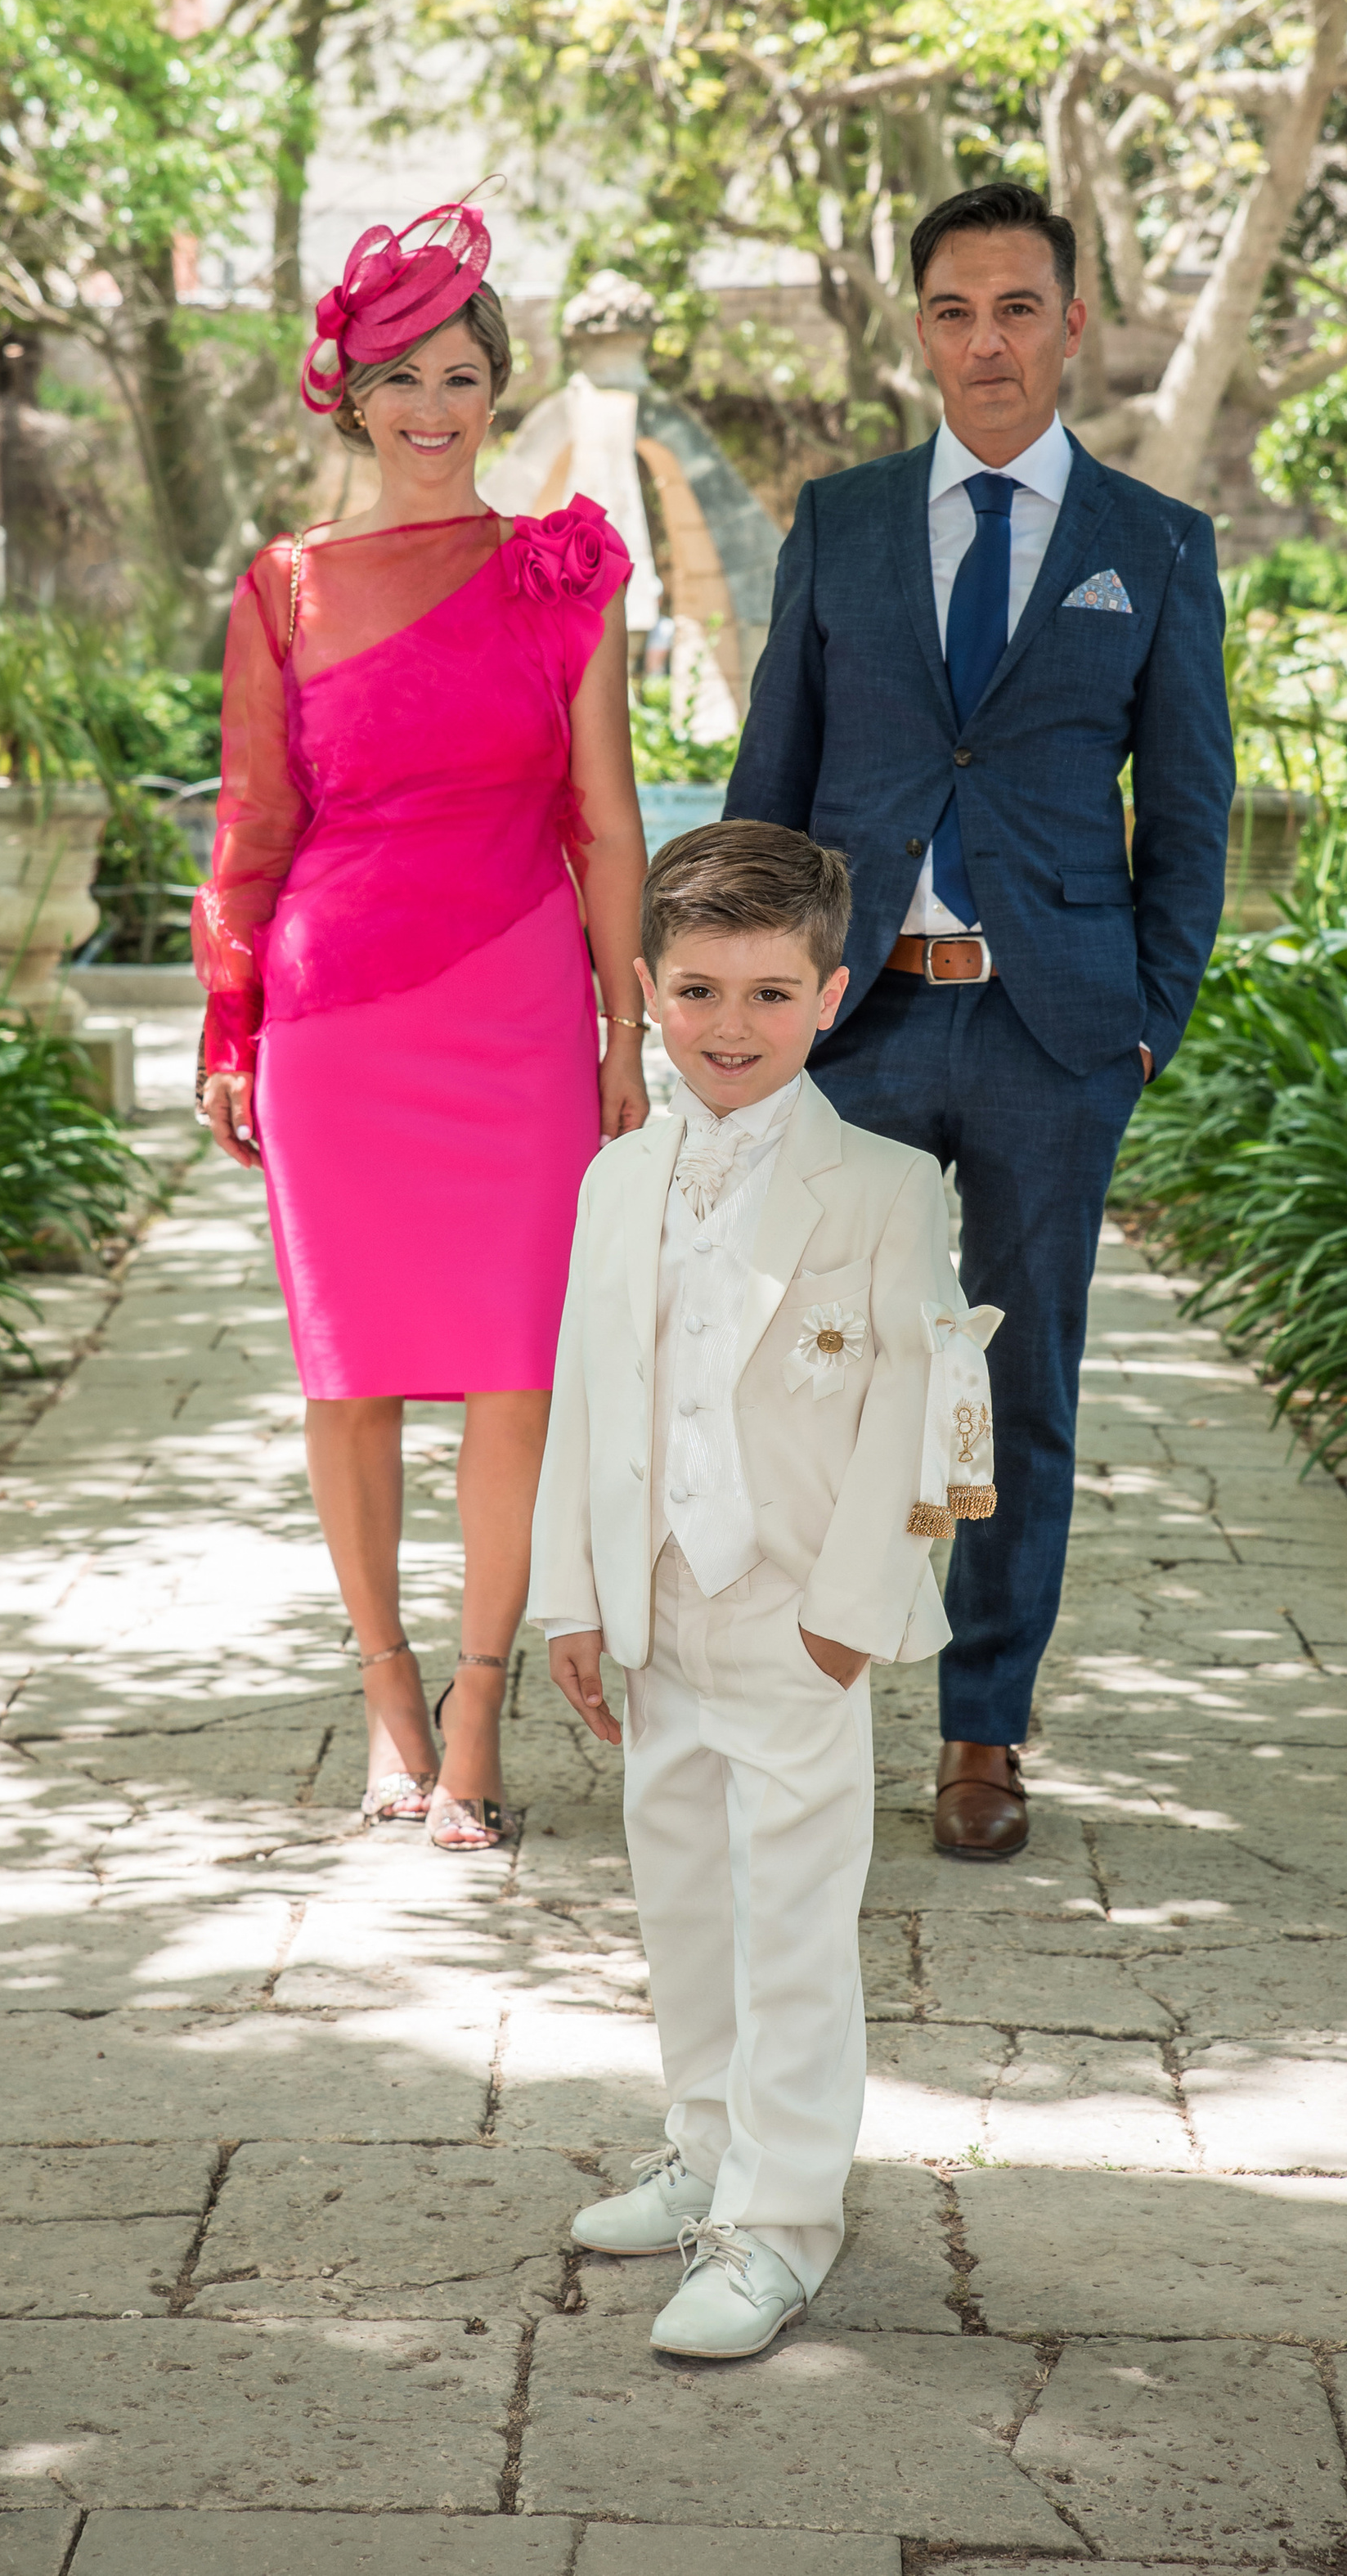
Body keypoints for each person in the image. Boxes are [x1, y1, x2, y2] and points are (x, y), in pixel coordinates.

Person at [723, 178, 1233, 1863]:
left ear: (1071, 325)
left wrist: (1140, 1027)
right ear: (917, 331)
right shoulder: (840, 523)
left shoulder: (1148, 548)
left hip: (1045, 1035)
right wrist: (745, 1014)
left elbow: (1187, 812)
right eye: (953, 310)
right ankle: (788, 1703)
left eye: (1017, 307)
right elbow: (769, 791)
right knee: (806, 1370)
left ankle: (981, 1734)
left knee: (1015, 1394)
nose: (986, 340)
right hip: (855, 1027)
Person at [193, 198, 650, 1850]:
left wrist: (624, 1033)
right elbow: (251, 826)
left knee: (516, 1378)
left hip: (520, 1013)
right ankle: (387, 1704)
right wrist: (231, 1027)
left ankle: (478, 1711)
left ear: (497, 387)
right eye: (402, 377)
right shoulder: (285, 588)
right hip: (336, 1020)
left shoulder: (560, 569)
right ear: (351, 395)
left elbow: (606, 818)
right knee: (353, 1378)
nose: (436, 406)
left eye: (462, 373)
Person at [528, 820, 994, 2358]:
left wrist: (851, 1611)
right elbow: (582, 1394)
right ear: (647, 988)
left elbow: (923, 1416)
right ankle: (708, 2142)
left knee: (790, 1914)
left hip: (802, 1609)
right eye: (700, 990)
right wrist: (573, 1597)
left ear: (833, 993)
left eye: (772, 994)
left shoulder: (886, 1186)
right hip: (659, 1597)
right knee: (679, 1887)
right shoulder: (614, 1180)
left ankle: (785, 2217)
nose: (732, 1027)